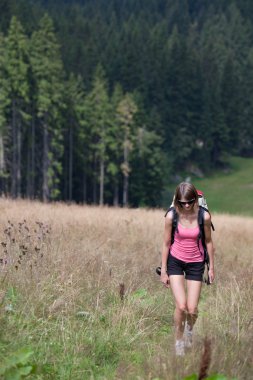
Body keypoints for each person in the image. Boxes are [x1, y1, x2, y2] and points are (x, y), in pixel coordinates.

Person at [160, 182, 214, 356]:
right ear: (177, 201)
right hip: (175, 261)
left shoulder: (203, 217)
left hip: (196, 262)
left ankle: (190, 331)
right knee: (181, 306)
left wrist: (211, 268)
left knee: (192, 309)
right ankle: (178, 342)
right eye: (182, 203)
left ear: (195, 200)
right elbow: (166, 243)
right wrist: (164, 270)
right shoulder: (171, 216)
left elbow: (208, 242)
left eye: (189, 202)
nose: (186, 205)